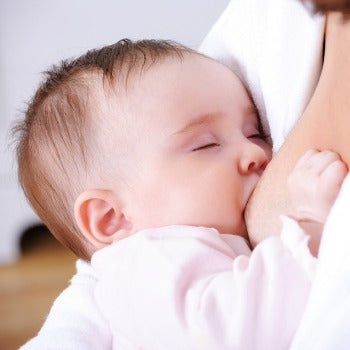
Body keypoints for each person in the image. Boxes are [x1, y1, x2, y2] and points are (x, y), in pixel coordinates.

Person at [16, 38, 346, 349]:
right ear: (111, 218)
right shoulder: (152, 264)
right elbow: (239, 333)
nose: (257, 153)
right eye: (207, 145)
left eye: (255, 132)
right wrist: (309, 223)